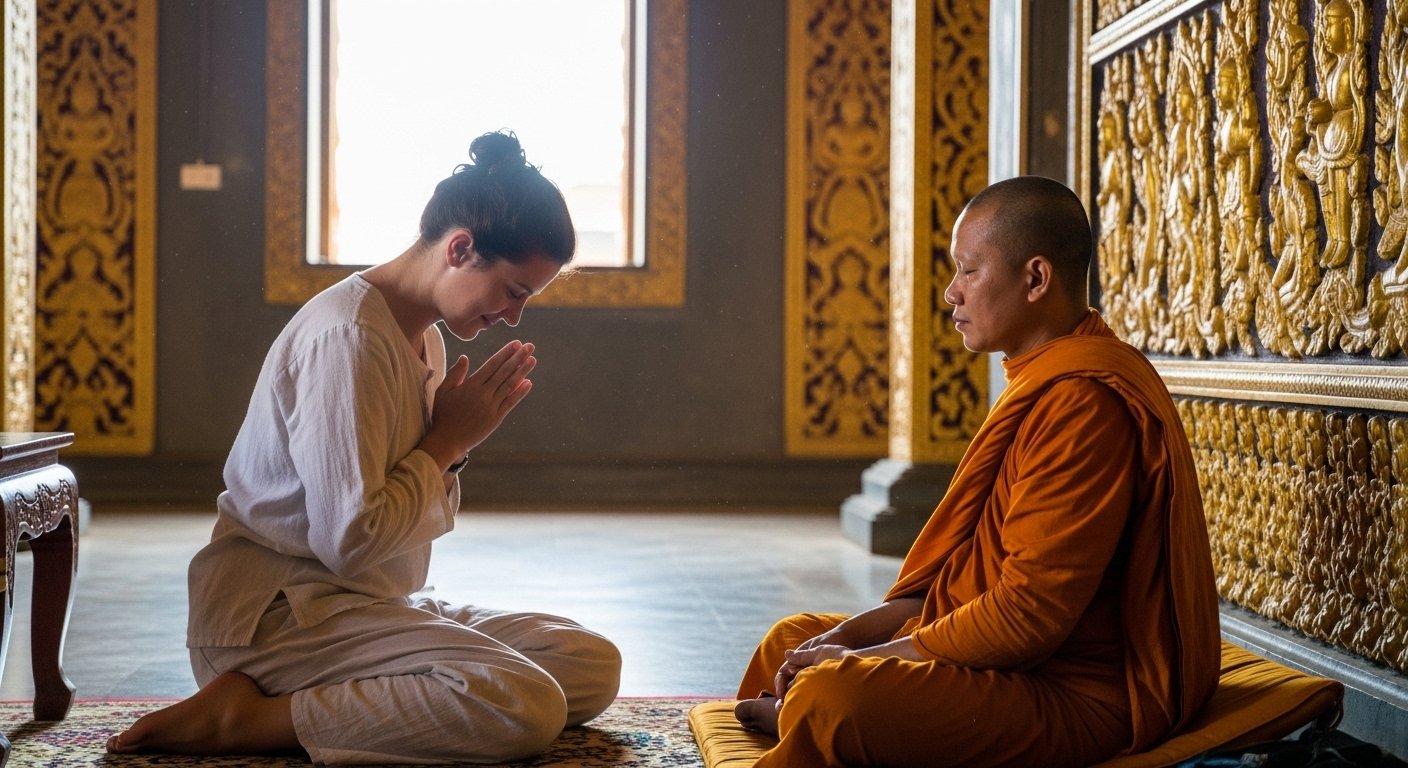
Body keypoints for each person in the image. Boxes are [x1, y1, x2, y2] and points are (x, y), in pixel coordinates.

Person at [106, 131, 622, 764]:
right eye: (514, 292)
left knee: (590, 662)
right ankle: (248, 716)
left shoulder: (423, 339)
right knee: (526, 702)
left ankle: (371, 692)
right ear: (461, 248)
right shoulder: (349, 338)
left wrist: (448, 449)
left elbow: (393, 518)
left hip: (363, 603)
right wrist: (448, 441)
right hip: (275, 620)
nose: (514, 318)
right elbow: (348, 542)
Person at [734, 176, 1221, 767]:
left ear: (1035, 279)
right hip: (1002, 662)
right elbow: (962, 590)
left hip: (1073, 690)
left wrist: (868, 661)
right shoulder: (1042, 381)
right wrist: (847, 640)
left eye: (968, 271)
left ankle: (804, 720)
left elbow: (1027, 619)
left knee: (835, 697)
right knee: (790, 643)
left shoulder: (1083, 404)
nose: (950, 293)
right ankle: (804, 716)